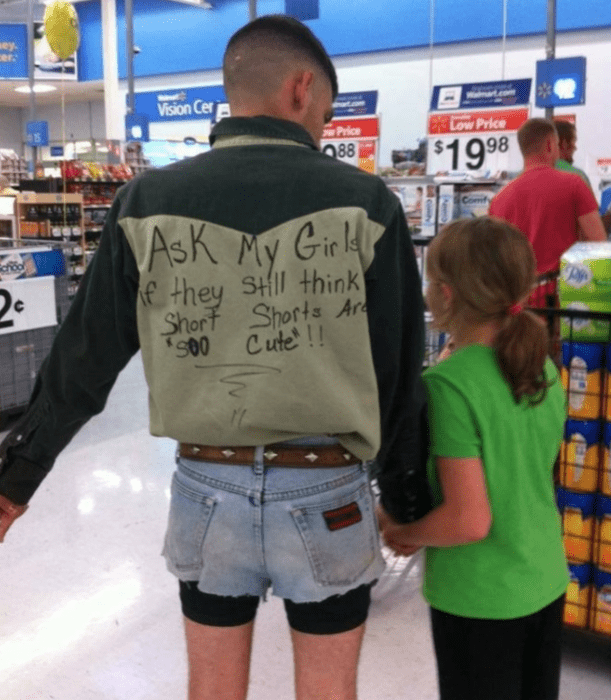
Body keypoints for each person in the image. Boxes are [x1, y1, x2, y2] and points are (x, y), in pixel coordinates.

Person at [0, 15, 430, 700]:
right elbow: (397, 368)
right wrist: (408, 498)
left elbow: (83, 357)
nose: (321, 127)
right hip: (327, 492)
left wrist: (16, 478)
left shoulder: (147, 201)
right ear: (300, 89)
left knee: (210, 690)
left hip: (205, 489)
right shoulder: (366, 203)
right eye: (323, 110)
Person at [378, 216, 569, 700]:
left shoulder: (448, 387)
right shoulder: (539, 364)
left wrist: (403, 531)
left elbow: (468, 520)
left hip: (480, 598)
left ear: (444, 293)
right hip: (543, 577)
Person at [489, 118, 606, 277]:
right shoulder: (574, 184)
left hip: (519, 293)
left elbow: (496, 258)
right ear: (550, 145)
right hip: (562, 289)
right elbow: (598, 244)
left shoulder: (498, 200)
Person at [553, 119, 592, 189]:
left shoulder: (532, 175)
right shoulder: (578, 177)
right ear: (564, 144)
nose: (575, 148)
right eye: (573, 141)